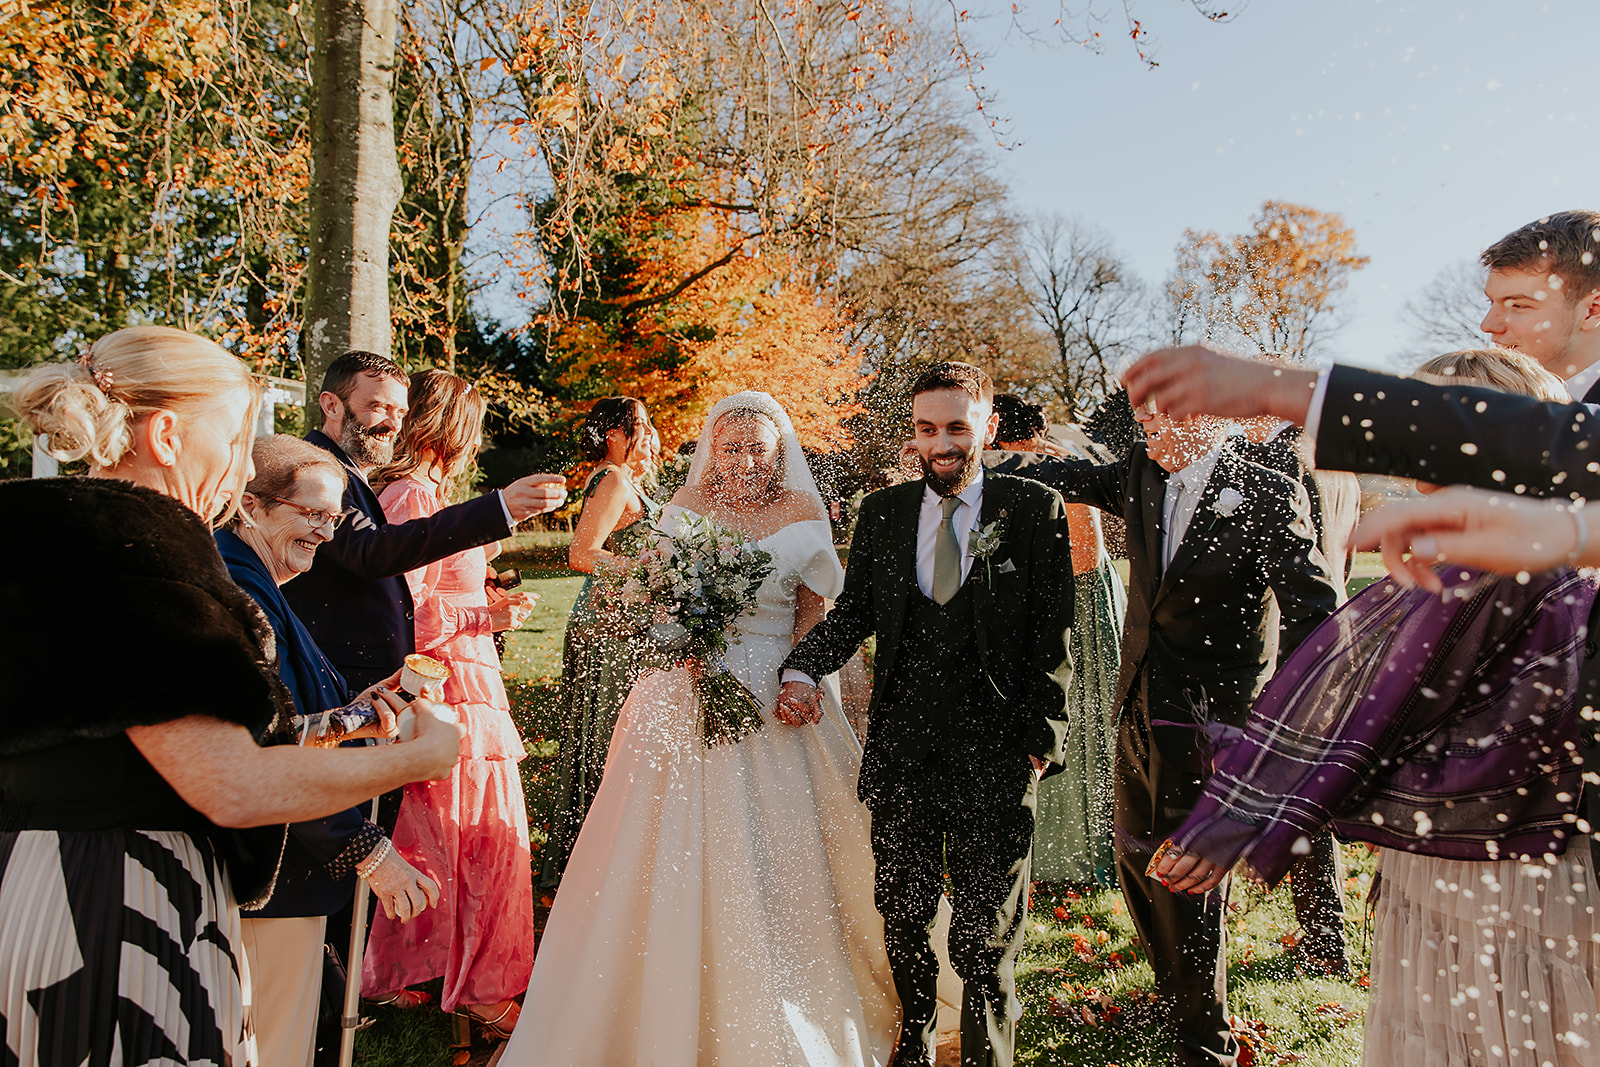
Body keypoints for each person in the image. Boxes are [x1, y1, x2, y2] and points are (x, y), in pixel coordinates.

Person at [0, 326, 461, 1064]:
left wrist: (349, 720)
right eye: (236, 432)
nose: (242, 462)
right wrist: (419, 758)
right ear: (168, 434)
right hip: (117, 903)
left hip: (63, 879)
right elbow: (231, 781)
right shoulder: (136, 562)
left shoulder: (60, 549)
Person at [1154, 350, 1600, 1066]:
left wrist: (1257, 801)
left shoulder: (1523, 573)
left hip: (1510, 885)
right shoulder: (1463, 560)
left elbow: (1382, 716)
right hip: (1441, 872)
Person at [500, 391, 897, 1066]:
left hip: (777, 693)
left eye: (758, 450)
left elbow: (812, 607)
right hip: (688, 685)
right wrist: (680, 627)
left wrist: (800, 674)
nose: (744, 462)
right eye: (731, 448)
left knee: (784, 849)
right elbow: (655, 590)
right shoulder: (685, 508)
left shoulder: (802, 510)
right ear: (713, 449)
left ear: (781, 453)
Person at [987, 401, 1339, 1065]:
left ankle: (1204, 1041)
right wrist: (978, 453)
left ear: (1213, 413)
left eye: (1166, 405)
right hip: (1139, 706)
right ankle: (1180, 991)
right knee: (1134, 859)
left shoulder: (1266, 491)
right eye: (1144, 407)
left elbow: (1317, 617)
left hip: (1217, 724)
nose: (1147, 416)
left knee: (1187, 880)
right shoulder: (1143, 474)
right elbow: (1064, 472)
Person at [779, 363, 1072, 1067]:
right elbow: (854, 615)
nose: (939, 443)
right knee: (904, 914)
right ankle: (912, 1043)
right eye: (925, 428)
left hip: (997, 751)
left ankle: (986, 1055)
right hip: (904, 751)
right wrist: (800, 665)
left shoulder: (1034, 508)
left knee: (985, 929)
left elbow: (1053, 632)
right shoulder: (884, 514)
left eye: (956, 427)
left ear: (988, 426)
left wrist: (1042, 739)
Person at [218, 434, 440, 1067]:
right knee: (274, 1047)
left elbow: (303, 713)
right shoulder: (246, 590)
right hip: (275, 870)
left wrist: (369, 707)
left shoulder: (265, 577)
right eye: (309, 513)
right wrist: (369, 851)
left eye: (333, 515)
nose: (325, 531)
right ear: (249, 507)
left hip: (288, 866)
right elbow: (273, 746)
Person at [362, 370, 539, 1038]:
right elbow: (402, 611)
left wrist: (488, 608)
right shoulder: (409, 493)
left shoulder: (427, 491)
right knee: (476, 842)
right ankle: (480, 990)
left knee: (450, 838)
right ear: (453, 427)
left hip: (468, 681)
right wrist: (482, 612)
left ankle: (400, 969)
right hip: (449, 688)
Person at [284, 351, 565, 692]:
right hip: (340, 675)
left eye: (400, 412)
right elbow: (373, 553)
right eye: (378, 407)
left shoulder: (347, 474)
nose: (393, 424)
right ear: (331, 405)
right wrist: (499, 509)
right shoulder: (316, 473)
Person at [989, 396, 1126, 887]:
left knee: (1079, 718)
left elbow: (1084, 557)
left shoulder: (1053, 469)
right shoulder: (1032, 464)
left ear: (997, 432)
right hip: (1061, 599)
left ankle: (1082, 854)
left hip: (1078, 608)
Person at [541, 396, 659, 886]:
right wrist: (650, 570)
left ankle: (608, 859)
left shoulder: (628, 479)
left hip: (623, 623)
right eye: (641, 425)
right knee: (603, 740)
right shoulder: (610, 479)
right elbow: (582, 553)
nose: (650, 433)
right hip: (606, 628)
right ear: (614, 433)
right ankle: (582, 867)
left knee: (614, 738)